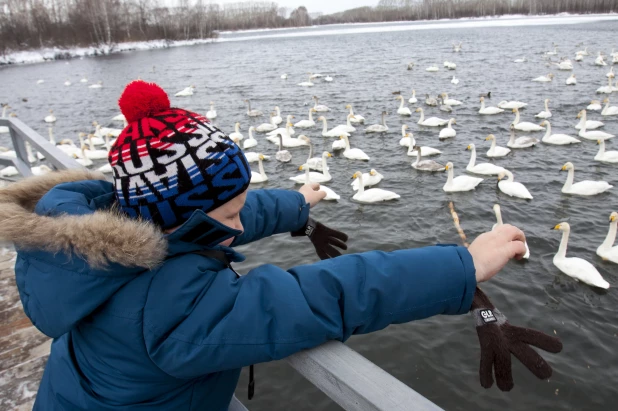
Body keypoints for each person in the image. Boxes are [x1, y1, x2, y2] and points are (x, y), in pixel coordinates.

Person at [0, 81, 527, 410]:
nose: (236, 226)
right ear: (178, 219)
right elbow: (322, 294)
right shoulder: (169, 307)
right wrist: (462, 265)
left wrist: (296, 204)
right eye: (228, 213)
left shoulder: (96, 246)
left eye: (239, 207)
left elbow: (221, 218)